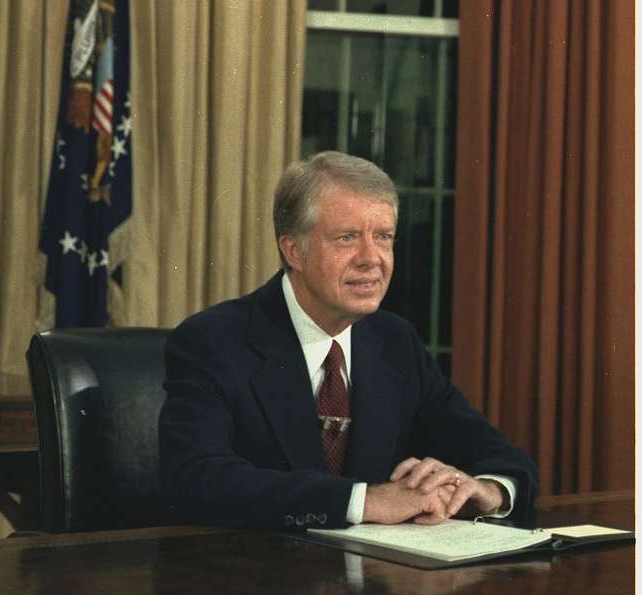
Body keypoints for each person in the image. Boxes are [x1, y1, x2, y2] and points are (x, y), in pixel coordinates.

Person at [159, 151, 537, 530]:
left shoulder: (394, 341)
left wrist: (486, 490)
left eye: (383, 237)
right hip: (256, 578)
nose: (371, 259)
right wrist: (364, 502)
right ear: (294, 251)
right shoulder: (213, 340)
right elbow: (196, 479)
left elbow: (497, 455)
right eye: (347, 238)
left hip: (373, 580)